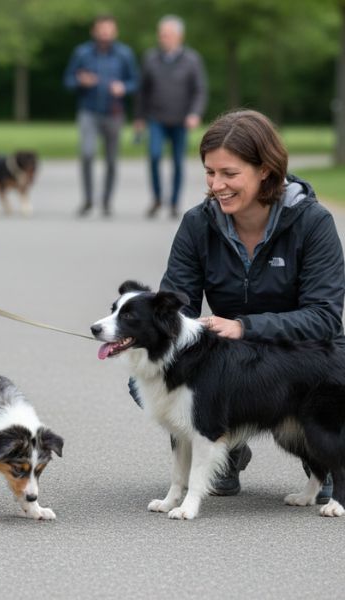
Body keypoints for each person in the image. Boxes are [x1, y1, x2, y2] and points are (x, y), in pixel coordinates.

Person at [131, 109, 343, 500]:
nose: (217, 185)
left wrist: (246, 326)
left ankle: (324, 451)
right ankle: (222, 450)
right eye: (210, 173)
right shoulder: (198, 224)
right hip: (232, 356)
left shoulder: (313, 223)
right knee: (152, 374)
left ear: (265, 169)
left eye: (229, 174)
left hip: (304, 353)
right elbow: (175, 307)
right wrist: (138, 333)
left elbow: (326, 317)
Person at [64, 15, 139, 218]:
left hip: (114, 113)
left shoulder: (124, 54)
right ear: (94, 31)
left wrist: (124, 87)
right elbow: (68, 80)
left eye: (109, 29)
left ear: (115, 32)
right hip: (88, 111)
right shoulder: (82, 53)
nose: (105, 33)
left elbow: (135, 82)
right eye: (101, 29)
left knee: (112, 160)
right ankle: (88, 200)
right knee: (87, 154)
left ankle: (106, 201)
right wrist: (81, 81)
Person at [134, 15, 207, 219]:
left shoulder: (192, 59)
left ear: (179, 36)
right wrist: (139, 118)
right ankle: (157, 198)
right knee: (155, 156)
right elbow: (143, 91)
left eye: (167, 35)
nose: (162, 38)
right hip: (155, 118)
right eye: (161, 35)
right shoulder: (150, 58)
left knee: (177, 161)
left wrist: (194, 113)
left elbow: (199, 90)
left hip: (181, 119)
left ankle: (174, 202)